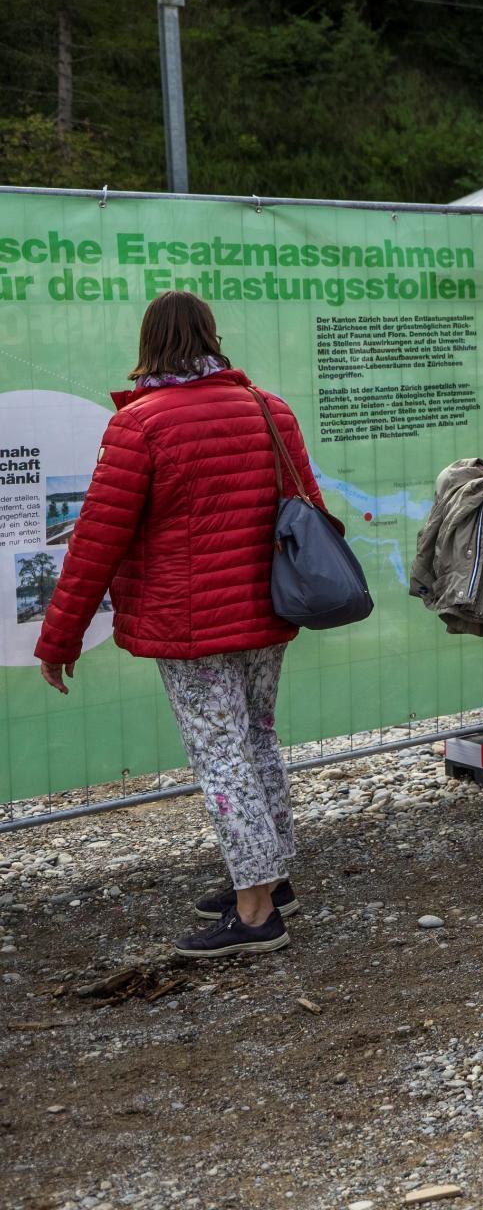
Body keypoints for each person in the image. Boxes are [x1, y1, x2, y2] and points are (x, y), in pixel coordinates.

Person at [34, 291, 332, 958]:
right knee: (256, 736)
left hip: (191, 624)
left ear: (151, 346)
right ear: (209, 337)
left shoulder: (142, 424)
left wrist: (59, 637)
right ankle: (273, 879)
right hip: (269, 608)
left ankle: (255, 915)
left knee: (221, 752)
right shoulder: (269, 408)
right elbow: (309, 508)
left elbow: (95, 542)